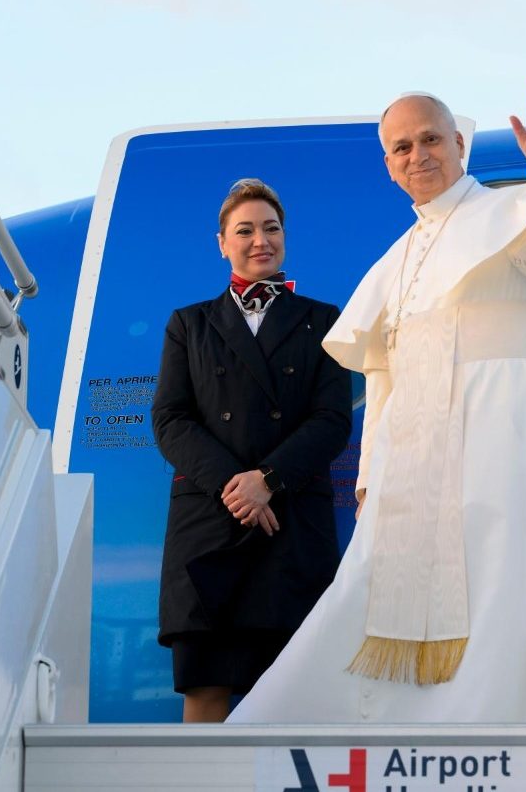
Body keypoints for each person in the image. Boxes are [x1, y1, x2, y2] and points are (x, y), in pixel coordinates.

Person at [227, 81, 526, 723]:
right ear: (389, 167)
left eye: (429, 140)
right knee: (376, 591)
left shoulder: (513, 210)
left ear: (458, 144)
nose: (417, 155)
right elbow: (384, 377)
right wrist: (370, 479)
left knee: (503, 579)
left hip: (503, 432)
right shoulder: (396, 259)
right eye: (401, 148)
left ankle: (492, 723)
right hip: (416, 459)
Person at [151, 178, 352, 722]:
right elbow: (170, 420)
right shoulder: (188, 324)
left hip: (290, 524)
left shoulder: (324, 321)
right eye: (245, 230)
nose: (260, 239)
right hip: (211, 527)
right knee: (206, 691)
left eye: (271, 228)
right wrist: (236, 486)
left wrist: (269, 479)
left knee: (292, 699)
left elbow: (332, 421)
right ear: (222, 242)